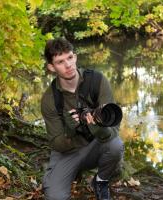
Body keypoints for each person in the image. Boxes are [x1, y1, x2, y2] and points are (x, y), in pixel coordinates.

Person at [41, 37, 124, 200]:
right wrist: (69, 131)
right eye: (60, 61)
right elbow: (56, 143)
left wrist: (97, 127)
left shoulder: (97, 81)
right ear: (51, 67)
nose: (68, 65)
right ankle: (69, 172)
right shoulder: (49, 99)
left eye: (70, 57)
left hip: (95, 143)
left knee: (116, 146)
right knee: (54, 196)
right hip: (68, 152)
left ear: (76, 57)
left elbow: (114, 129)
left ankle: (100, 181)